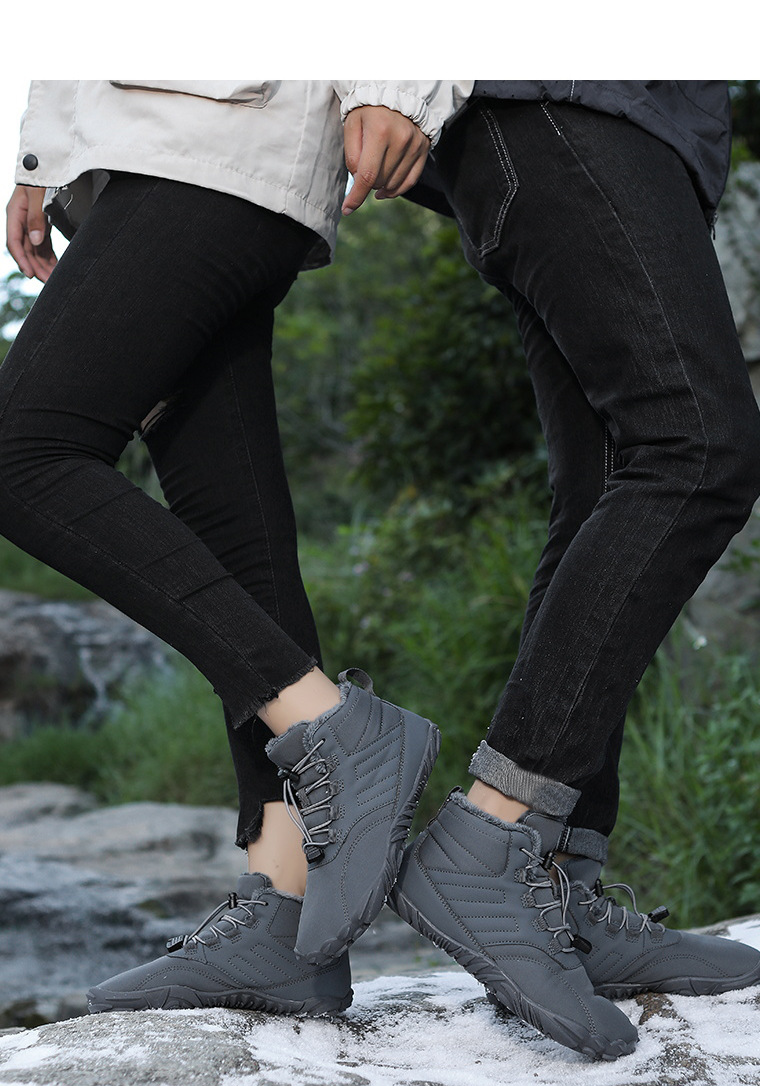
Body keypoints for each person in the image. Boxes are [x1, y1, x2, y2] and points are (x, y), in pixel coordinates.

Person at [1, 79, 471, 1016]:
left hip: (218, 127)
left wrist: (393, 85)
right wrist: (43, 162)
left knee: (23, 454)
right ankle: (285, 912)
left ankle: (338, 727)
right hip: (163, 143)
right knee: (234, 527)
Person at [373, 82, 760, 1060]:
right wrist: (393, 83)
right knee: (697, 450)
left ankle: (557, 889)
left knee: (606, 482)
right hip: (567, 99)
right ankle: (489, 838)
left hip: (605, 121)